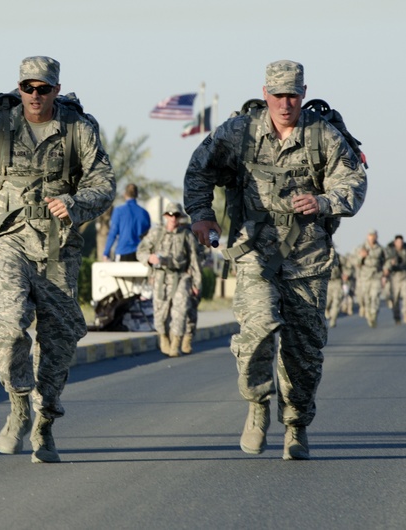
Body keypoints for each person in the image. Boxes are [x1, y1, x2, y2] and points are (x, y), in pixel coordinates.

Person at [184, 60, 367, 460]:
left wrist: (322, 201)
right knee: (259, 329)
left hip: (308, 259)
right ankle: (256, 404)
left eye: (293, 95)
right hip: (254, 252)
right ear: (264, 92)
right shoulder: (240, 132)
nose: (285, 103)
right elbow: (199, 171)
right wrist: (201, 215)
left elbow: (354, 183)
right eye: (278, 95)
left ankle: (297, 424)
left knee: (304, 351)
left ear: (303, 94)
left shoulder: (323, 135)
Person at [0, 56, 116, 464]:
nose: (34, 96)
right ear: (19, 87)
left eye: (43, 89)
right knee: (8, 325)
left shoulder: (79, 130)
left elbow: (104, 184)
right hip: (9, 243)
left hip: (59, 251)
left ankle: (45, 422)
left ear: (56, 90)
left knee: (57, 343)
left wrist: (75, 202)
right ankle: (19, 403)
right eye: (28, 87)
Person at [136, 202, 203, 357]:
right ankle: (163, 337)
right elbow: (141, 250)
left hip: (180, 277)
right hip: (160, 277)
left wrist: (196, 283)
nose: (173, 218)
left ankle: (176, 343)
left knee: (180, 311)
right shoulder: (156, 233)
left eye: (177, 215)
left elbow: (195, 261)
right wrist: (149, 258)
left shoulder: (186, 236)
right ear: (165, 216)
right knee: (160, 313)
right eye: (171, 215)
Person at [103, 183, 151, 262]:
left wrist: (106, 253)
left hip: (123, 251)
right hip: (140, 254)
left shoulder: (119, 211)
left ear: (125, 194)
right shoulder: (144, 213)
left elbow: (113, 233)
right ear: (137, 195)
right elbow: (148, 236)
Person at [356, 229, 386, 327]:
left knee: (375, 296)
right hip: (365, 277)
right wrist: (362, 257)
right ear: (367, 236)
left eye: (374, 235)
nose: (372, 237)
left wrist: (386, 271)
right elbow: (355, 263)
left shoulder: (380, 249)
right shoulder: (362, 248)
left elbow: (386, 261)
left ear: (377, 237)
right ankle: (369, 316)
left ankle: (374, 314)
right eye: (370, 235)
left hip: (376, 276)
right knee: (367, 298)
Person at [384, 235, 406, 325]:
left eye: (401, 242)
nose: (399, 244)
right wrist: (390, 264)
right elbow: (386, 265)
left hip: (404, 275)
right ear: (395, 242)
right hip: (394, 277)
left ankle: (405, 313)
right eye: (398, 242)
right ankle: (397, 317)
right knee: (395, 299)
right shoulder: (391, 252)